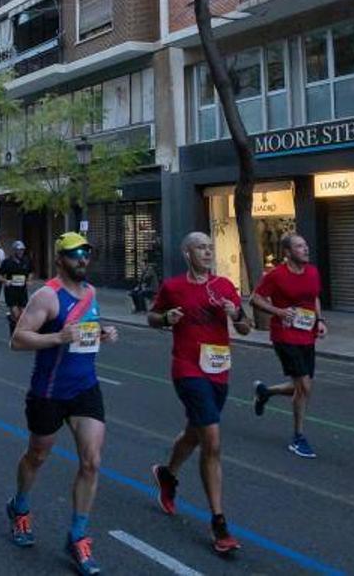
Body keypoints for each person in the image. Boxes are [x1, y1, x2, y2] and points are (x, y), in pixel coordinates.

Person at [7, 232, 116, 575]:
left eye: (86, 253)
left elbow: (86, 332)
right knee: (38, 454)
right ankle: (20, 506)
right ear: (60, 259)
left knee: (92, 462)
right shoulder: (47, 296)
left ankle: (78, 535)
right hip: (49, 391)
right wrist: (57, 337)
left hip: (85, 389)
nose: (83, 259)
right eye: (75, 254)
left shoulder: (92, 294)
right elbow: (18, 340)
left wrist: (103, 334)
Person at [148, 232, 252, 556]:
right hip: (187, 369)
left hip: (219, 370)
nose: (207, 252)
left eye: (210, 247)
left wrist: (235, 314)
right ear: (187, 252)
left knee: (195, 432)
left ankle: (167, 474)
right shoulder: (174, 287)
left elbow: (247, 326)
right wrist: (166, 318)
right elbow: (152, 317)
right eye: (200, 248)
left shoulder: (224, 286)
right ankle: (219, 523)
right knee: (212, 439)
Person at [249, 233, 327, 458]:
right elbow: (255, 298)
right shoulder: (276, 275)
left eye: (306, 245)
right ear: (288, 252)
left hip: (307, 335)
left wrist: (320, 321)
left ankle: (265, 392)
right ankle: (298, 437)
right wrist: (279, 312)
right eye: (300, 246)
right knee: (304, 387)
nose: (306, 249)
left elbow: (314, 298)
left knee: (301, 387)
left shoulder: (312, 272)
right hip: (284, 336)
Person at [0, 240, 34, 336]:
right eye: (18, 250)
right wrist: (6, 281)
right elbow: (0, 276)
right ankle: (15, 334)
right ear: (14, 250)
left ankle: (14, 324)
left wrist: (29, 280)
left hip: (22, 290)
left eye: (22, 250)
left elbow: (31, 272)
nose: (20, 252)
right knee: (16, 313)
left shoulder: (26, 260)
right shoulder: (7, 262)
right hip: (11, 290)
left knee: (22, 314)